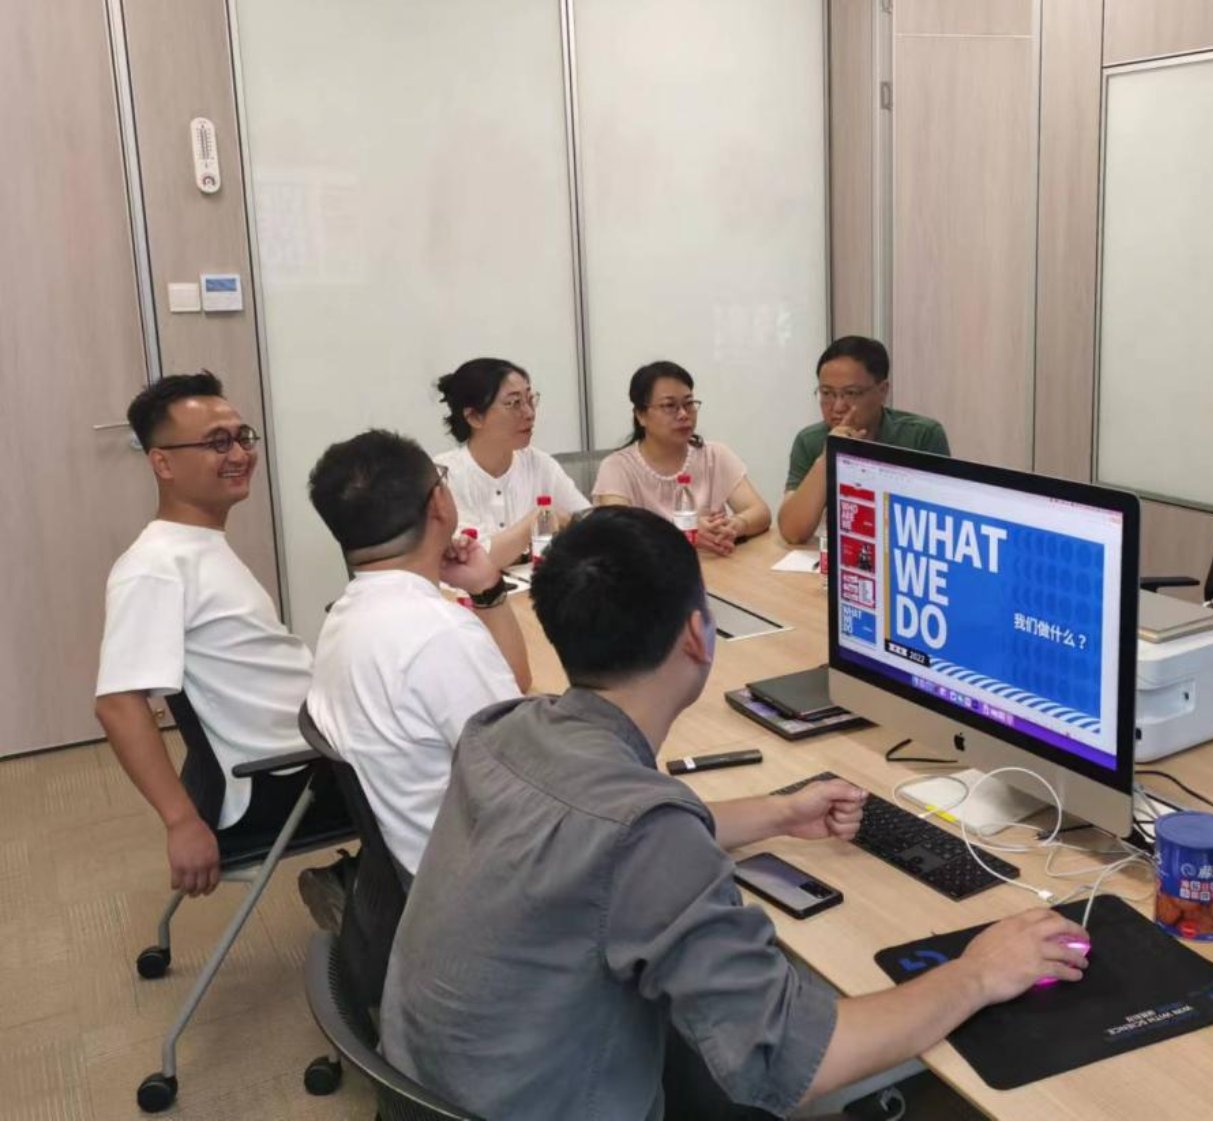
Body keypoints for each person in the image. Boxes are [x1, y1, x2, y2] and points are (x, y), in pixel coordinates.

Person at [381, 508, 1088, 1120]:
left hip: (439, 1087)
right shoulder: (643, 835)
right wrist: (978, 971)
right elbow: (795, 1061)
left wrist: (778, 812)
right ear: (697, 635)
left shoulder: (505, 730)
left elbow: (598, 845)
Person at [94, 371, 348, 921]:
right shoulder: (155, 567)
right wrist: (181, 822)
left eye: (242, 437)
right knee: (458, 760)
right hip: (290, 774)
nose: (238, 454)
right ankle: (370, 899)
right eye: (216, 443)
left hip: (309, 748)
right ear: (162, 463)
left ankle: (366, 887)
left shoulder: (199, 545)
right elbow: (118, 704)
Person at [306, 430, 531, 876]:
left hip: (413, 861)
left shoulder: (347, 613)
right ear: (439, 504)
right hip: (482, 877)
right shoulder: (440, 635)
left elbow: (513, 685)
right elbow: (527, 777)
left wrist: (487, 589)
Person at [776, 336, 950, 545]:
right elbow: (792, 532)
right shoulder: (809, 440)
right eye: (827, 393)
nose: (838, 407)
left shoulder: (921, 436)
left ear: (882, 391)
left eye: (851, 393)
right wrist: (827, 457)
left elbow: (940, 524)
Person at [591, 361, 770, 555]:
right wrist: (683, 534)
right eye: (670, 406)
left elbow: (760, 511)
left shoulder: (715, 455)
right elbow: (617, 535)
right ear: (641, 415)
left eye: (689, 404)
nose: (684, 414)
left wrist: (735, 525)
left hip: (716, 567)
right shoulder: (617, 467)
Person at [433, 357, 590, 567]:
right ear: (474, 417)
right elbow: (475, 559)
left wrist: (569, 522)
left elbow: (592, 525)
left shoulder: (540, 464)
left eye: (530, 400)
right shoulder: (444, 475)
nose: (529, 413)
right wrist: (539, 518)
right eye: (514, 403)